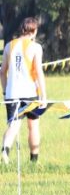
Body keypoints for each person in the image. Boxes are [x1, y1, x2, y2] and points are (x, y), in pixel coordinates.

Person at [1, 17, 46, 164]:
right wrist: (43, 96)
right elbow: (39, 72)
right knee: (33, 126)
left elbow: (2, 72)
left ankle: (5, 151)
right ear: (34, 31)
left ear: (22, 29)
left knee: (13, 125)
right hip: (30, 94)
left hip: (12, 93)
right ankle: (34, 160)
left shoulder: (9, 46)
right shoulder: (36, 47)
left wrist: (4, 91)